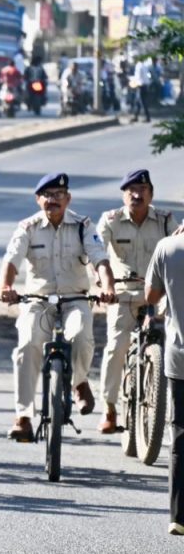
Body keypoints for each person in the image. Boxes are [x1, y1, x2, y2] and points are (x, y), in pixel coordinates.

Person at [0, 173, 116, 441]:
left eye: (59, 195)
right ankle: (23, 417)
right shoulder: (27, 227)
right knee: (27, 345)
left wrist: (108, 288)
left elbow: (100, 260)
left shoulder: (83, 225)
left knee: (81, 335)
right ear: (38, 199)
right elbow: (11, 260)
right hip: (38, 300)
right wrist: (5, 286)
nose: (53, 200)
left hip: (75, 298)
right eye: (47, 195)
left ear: (68, 198)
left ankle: (79, 382)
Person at [96, 169, 176, 433]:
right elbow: (96, 252)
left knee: (176, 341)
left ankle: (170, 400)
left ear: (151, 195)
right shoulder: (110, 220)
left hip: (159, 295)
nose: (136, 195)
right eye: (131, 190)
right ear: (123, 195)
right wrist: (102, 282)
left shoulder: (165, 220)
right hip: (122, 294)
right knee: (116, 346)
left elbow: (178, 247)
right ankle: (109, 408)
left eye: (142, 190)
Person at [143, 226, 184, 536]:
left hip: (179, 357)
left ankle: (179, 517)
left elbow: (151, 295)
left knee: (180, 433)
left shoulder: (168, 247)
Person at [133, 58, 153, 122]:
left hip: (140, 86)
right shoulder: (145, 65)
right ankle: (137, 116)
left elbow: (137, 77)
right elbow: (148, 76)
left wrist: (135, 83)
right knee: (141, 102)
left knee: (140, 101)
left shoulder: (138, 66)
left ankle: (146, 117)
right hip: (146, 85)